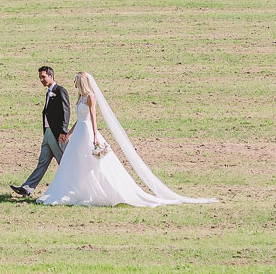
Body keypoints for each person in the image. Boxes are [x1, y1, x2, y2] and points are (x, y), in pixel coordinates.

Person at [37, 72, 215, 207]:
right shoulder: (81, 98)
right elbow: (80, 118)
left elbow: (92, 118)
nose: (74, 84)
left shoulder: (90, 97)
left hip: (88, 133)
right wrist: (69, 133)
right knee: (74, 163)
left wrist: (95, 137)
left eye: (76, 81)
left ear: (82, 82)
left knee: (93, 164)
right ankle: (74, 190)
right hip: (78, 133)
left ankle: (99, 191)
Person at [11, 65, 69, 197]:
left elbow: (66, 111)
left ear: (51, 76)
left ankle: (74, 187)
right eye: (40, 77)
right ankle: (27, 188)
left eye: (43, 77)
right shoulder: (49, 92)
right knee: (42, 162)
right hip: (48, 132)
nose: (41, 80)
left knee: (65, 163)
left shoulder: (60, 91)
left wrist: (63, 131)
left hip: (56, 134)